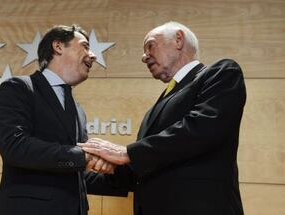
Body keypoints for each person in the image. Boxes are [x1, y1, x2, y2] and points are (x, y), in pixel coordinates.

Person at [79, 21, 246, 215]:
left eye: (150, 46)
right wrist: (106, 168)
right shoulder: (155, 108)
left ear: (178, 40)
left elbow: (201, 128)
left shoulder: (220, 73)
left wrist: (128, 153)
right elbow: (148, 167)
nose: (144, 57)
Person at [0, 24, 118, 215]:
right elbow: (14, 146)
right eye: (85, 46)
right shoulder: (19, 87)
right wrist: (83, 156)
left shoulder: (78, 110)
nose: (93, 55)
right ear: (58, 46)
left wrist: (121, 173)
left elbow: (75, 172)